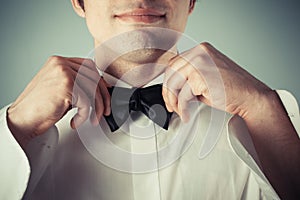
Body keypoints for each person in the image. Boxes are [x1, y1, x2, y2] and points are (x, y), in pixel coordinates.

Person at [0, 0, 299, 199]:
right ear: (79, 1)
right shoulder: (16, 136)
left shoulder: (268, 119)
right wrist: (15, 127)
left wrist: (263, 107)